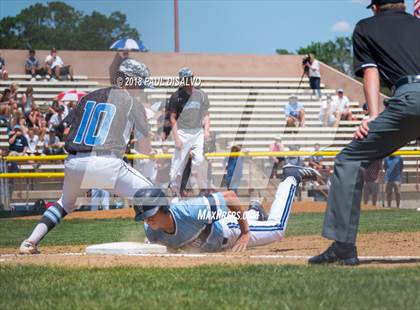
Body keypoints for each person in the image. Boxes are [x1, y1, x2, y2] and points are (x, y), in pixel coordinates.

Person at [310, 0, 420, 266]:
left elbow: (371, 73)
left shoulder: (365, 27)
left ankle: (344, 248)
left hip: (410, 99)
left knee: (349, 159)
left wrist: (372, 116)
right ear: (403, 5)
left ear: (375, 7)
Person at [19, 58, 154, 254]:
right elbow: (146, 147)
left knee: (65, 203)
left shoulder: (88, 97)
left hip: (75, 162)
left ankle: (30, 242)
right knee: (152, 195)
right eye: (140, 83)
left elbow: (65, 129)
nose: (141, 88)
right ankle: (153, 239)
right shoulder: (133, 103)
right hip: (107, 162)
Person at [133, 165, 320, 253]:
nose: (147, 220)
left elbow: (230, 197)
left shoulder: (191, 211)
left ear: (163, 208)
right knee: (226, 215)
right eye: (144, 217)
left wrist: (245, 232)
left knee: (277, 229)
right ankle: (254, 212)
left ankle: (291, 177)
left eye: (150, 214)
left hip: (229, 231)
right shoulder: (152, 232)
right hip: (214, 232)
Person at [168, 67, 210, 196]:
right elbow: (172, 118)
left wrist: (207, 130)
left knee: (199, 160)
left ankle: (195, 184)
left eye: (190, 78)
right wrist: (176, 138)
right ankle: (173, 191)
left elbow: (206, 113)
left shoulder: (201, 94)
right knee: (177, 167)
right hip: (182, 132)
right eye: (185, 79)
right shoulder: (176, 96)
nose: (188, 81)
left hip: (197, 132)